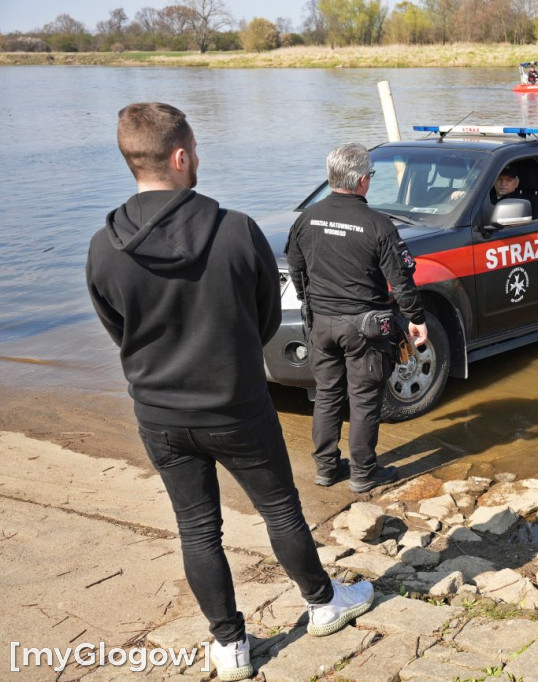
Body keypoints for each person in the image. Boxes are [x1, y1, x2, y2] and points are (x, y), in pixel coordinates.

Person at [86, 103, 374, 681]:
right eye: (196, 149)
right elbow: (266, 317)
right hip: (237, 406)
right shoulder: (235, 229)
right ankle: (322, 604)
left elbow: (119, 328)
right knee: (279, 509)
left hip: (160, 414)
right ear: (181, 156)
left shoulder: (103, 246)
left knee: (197, 528)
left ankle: (229, 645)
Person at [286, 143, 428, 495]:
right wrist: (416, 318)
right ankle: (364, 473)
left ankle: (326, 468)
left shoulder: (306, 218)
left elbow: (296, 266)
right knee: (364, 400)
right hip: (364, 327)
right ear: (363, 179)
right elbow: (401, 279)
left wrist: (309, 300)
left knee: (327, 395)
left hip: (321, 323)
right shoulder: (378, 225)